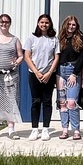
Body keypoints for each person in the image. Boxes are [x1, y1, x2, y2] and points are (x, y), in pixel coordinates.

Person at [24, 13, 59, 141]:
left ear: (50, 24)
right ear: (38, 24)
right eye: (42, 22)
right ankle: (34, 129)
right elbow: (27, 56)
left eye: (46, 23)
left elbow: (56, 57)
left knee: (47, 101)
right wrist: (36, 72)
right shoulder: (31, 38)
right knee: (36, 101)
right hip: (34, 74)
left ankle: (45, 129)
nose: (44, 25)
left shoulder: (54, 39)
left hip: (49, 75)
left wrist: (49, 72)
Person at [56, 15, 83, 140]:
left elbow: (82, 58)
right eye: (69, 24)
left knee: (71, 102)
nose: (71, 27)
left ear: (76, 26)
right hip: (60, 72)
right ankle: (64, 130)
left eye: (73, 25)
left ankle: (76, 130)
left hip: (73, 71)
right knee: (62, 103)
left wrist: (75, 73)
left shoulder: (80, 39)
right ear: (65, 25)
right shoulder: (59, 39)